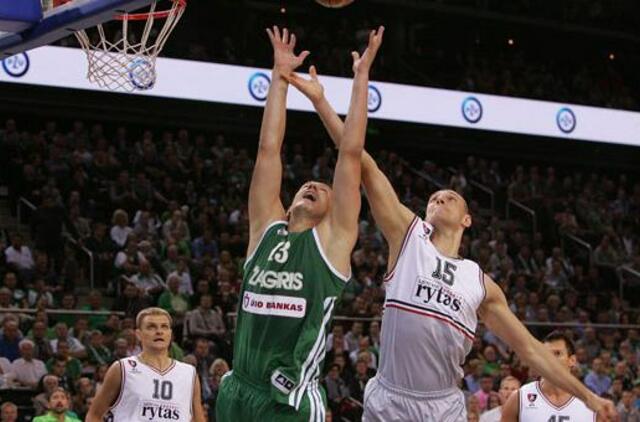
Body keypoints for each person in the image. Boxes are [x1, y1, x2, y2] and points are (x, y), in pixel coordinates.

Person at [287, 61, 617, 422]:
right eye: (434, 198)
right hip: (389, 400)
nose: (439, 198)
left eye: (450, 197)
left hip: (442, 407)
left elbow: (531, 350)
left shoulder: (480, 283)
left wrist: (588, 397)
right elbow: (359, 160)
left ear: (467, 220)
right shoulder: (408, 237)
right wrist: (322, 101)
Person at [216, 25, 384, 422]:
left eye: (323, 189)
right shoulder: (265, 230)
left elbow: (351, 153)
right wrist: (280, 78)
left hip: (288, 400)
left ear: (333, 211)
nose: (312, 185)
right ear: (288, 204)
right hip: (239, 389)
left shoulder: (332, 243)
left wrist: (361, 78)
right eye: (307, 185)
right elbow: (268, 149)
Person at [86, 307, 205, 421]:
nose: (159, 332)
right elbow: (94, 416)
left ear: (170, 333)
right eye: (151, 327)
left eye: (164, 327)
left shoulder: (189, 373)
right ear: (139, 334)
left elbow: (198, 418)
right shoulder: (122, 368)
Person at [502, 331, 599, 421]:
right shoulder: (519, 398)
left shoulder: (592, 403)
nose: (550, 359)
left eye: (557, 353)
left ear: (572, 360)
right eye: (546, 354)